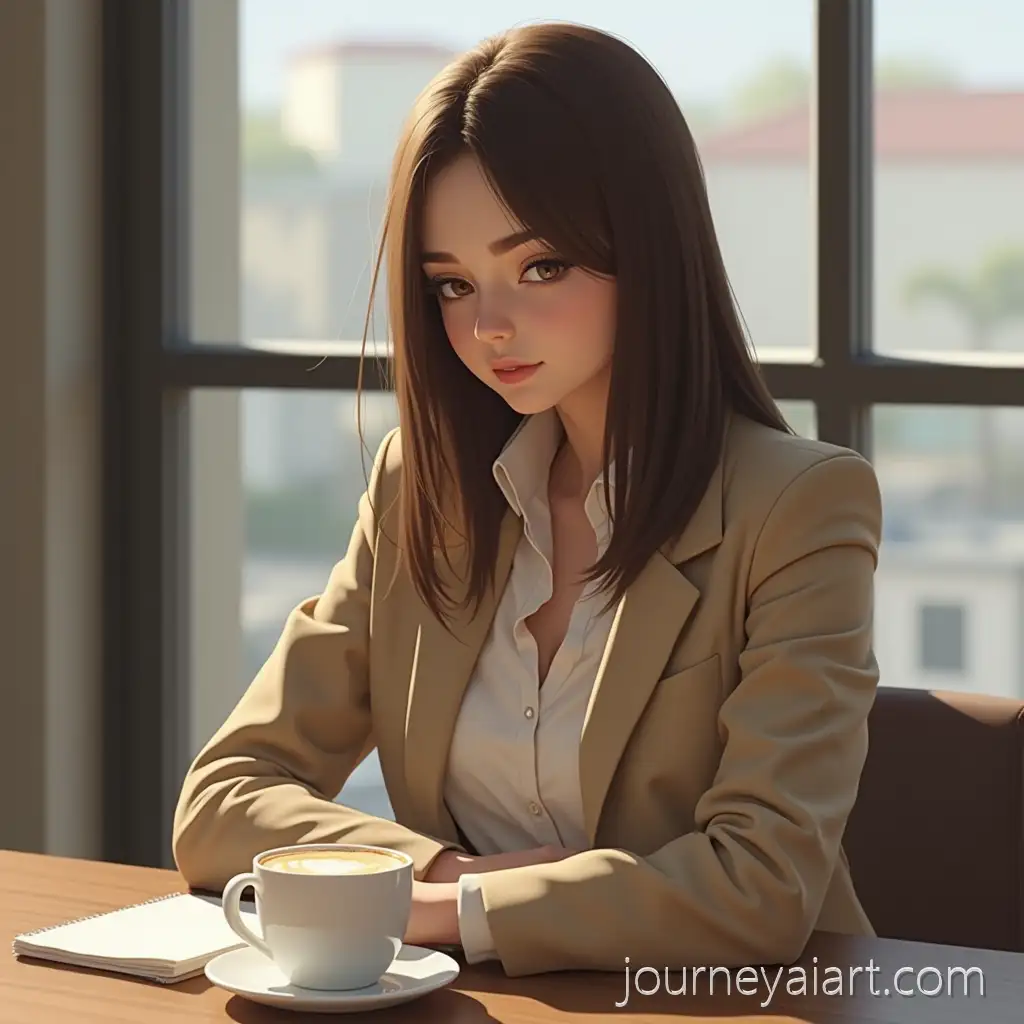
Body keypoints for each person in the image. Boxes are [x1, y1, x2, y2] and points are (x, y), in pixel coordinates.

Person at [172, 21, 882, 978]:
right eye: (452, 284)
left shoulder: (799, 508)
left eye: (541, 266)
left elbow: (758, 889)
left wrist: (452, 914)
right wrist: (442, 878)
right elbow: (222, 799)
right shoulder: (419, 492)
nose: (488, 326)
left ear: (648, 244)